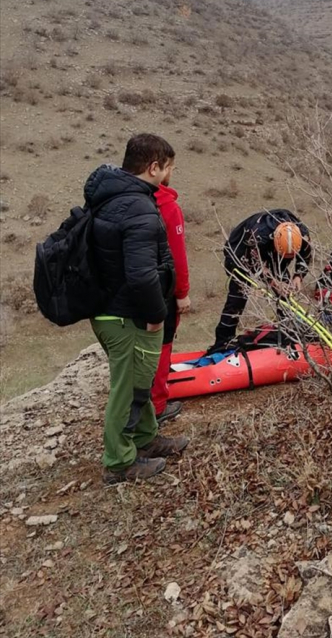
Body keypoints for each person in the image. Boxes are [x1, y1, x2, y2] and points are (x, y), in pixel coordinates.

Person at [85, 133, 189, 484]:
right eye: (166, 168)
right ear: (153, 167)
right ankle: (118, 462)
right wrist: (157, 316)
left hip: (110, 307)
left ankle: (145, 439)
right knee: (127, 388)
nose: (167, 176)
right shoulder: (140, 208)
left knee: (139, 381)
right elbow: (143, 275)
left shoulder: (112, 197)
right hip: (125, 313)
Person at [207, 209, 312, 355]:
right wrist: (273, 282)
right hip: (242, 253)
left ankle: (287, 335)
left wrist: (298, 276)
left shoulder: (302, 235)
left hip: (273, 254)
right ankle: (223, 342)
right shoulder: (258, 236)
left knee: (286, 295)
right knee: (238, 297)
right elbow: (256, 265)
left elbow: (305, 257)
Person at [150, 176, 191, 424]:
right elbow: (177, 255)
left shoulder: (123, 199)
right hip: (160, 289)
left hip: (125, 292)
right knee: (162, 345)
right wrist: (182, 292)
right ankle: (157, 405)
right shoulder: (167, 206)